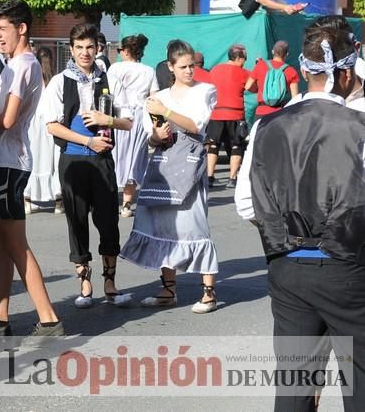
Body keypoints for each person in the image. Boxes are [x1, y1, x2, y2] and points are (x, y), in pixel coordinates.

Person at [235, 25, 364, 411]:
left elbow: (245, 203)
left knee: (294, 386)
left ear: (305, 70)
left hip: (287, 267)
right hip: (349, 268)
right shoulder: (360, 129)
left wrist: (285, 231)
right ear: (345, 73)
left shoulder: (265, 125)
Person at [0, 0, 64, 340]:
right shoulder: (13, 64)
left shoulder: (22, 65)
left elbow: (5, 121)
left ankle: (49, 319)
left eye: (2, 29)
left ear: (22, 29)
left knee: (15, 242)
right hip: (3, 160)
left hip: (10, 161)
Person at [120, 39, 220, 314]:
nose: (190, 71)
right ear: (171, 67)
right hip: (164, 163)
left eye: (192, 66)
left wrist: (165, 112)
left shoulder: (205, 90)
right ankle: (168, 288)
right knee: (163, 224)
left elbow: (196, 124)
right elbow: (150, 136)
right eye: (184, 66)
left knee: (194, 224)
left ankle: (209, 292)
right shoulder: (160, 96)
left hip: (190, 164)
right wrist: (157, 134)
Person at [41, 23, 133, 309]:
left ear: (98, 48)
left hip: (102, 160)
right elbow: (52, 126)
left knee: (108, 221)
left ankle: (110, 281)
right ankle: (84, 281)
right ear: (71, 49)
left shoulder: (110, 80)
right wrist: (85, 140)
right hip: (73, 160)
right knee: (76, 221)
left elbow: (128, 121)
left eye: (90, 47)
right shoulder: (60, 82)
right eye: (79, 47)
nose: (85, 52)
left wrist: (107, 121)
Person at [107, 34, 156, 218]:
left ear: (126, 51)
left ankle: (110, 198)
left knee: (113, 155)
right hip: (139, 117)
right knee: (134, 158)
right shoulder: (148, 71)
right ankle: (127, 204)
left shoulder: (115, 68)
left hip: (117, 115)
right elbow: (153, 97)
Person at [24, 46, 62, 214]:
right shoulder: (55, 79)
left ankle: (27, 198)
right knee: (53, 160)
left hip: (33, 121)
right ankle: (58, 200)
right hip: (50, 122)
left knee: (33, 157)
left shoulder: (32, 77)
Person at [206, 44, 249, 188]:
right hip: (235, 113)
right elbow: (252, 87)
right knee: (236, 145)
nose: (245, 61)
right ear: (238, 58)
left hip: (216, 112)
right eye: (244, 58)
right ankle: (232, 178)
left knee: (213, 145)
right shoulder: (243, 73)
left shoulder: (215, 70)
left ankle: (210, 176)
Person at [245, 40, 300, 118]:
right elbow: (295, 99)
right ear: (287, 54)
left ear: (272, 51)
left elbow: (247, 86)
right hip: (279, 113)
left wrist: (261, 89)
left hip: (261, 112)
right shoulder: (291, 71)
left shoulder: (260, 65)